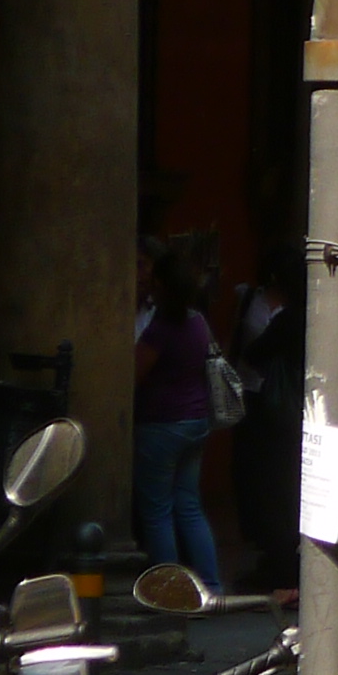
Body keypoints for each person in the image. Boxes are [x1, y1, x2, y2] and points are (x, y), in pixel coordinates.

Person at [131, 242, 223, 584]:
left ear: (162, 285)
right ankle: (212, 585)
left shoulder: (160, 330)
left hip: (161, 424)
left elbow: (134, 373)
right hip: (196, 421)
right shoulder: (198, 322)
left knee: (157, 512)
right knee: (189, 507)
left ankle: (168, 591)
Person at [229, 251, 304, 590]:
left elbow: (254, 354)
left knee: (274, 490)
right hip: (306, 410)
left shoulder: (287, 319)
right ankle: (285, 563)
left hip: (279, 414)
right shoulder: (314, 313)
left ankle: (281, 567)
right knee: (289, 489)